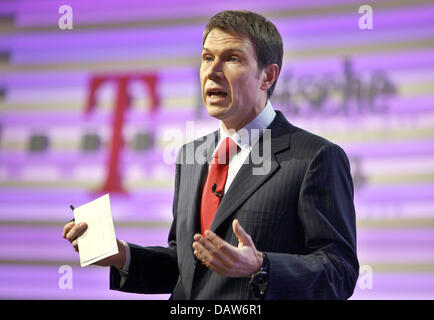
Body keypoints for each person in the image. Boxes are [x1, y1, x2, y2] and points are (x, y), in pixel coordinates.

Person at [63, 10, 359, 300]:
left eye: (232, 58)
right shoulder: (191, 156)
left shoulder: (315, 158)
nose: (213, 71)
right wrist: (122, 255)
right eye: (207, 57)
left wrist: (261, 266)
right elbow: (188, 268)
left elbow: (340, 271)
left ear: (267, 76)